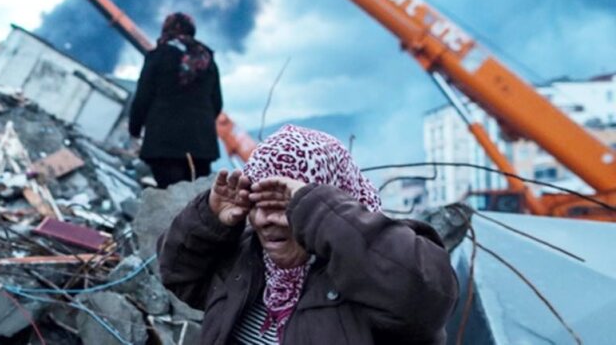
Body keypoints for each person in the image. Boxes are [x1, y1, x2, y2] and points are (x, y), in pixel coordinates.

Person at [157, 125, 457, 344]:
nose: (265, 220)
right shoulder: (248, 259)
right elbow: (178, 274)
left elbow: (425, 298)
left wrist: (316, 209)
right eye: (257, 203)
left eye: (282, 205)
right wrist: (210, 218)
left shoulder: (371, 269)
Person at [129, 12, 223, 188]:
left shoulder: (158, 56)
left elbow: (143, 97)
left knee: (171, 194)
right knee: (196, 196)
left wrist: (135, 129)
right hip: (201, 146)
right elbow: (216, 103)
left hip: (164, 144)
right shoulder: (208, 61)